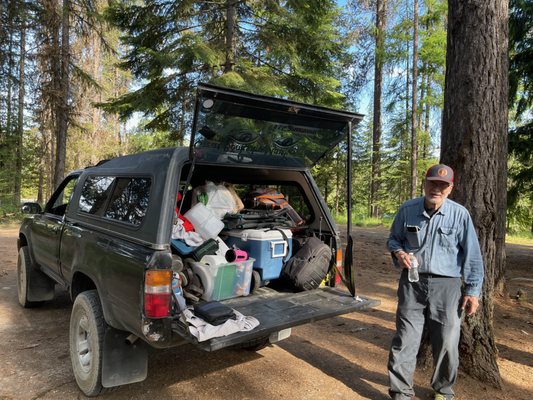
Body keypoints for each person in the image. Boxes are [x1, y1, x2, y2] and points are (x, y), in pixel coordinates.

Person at [386, 164, 484, 400]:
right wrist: (400, 253)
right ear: (424, 184)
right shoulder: (408, 209)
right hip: (412, 284)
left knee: (448, 342)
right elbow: (393, 240)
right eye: (432, 183)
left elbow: (472, 255)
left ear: (450, 188)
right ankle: (401, 392)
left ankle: (443, 390)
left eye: (443, 185)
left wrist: (472, 291)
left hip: (448, 287)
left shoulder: (460, 214)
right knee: (405, 339)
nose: (436, 189)